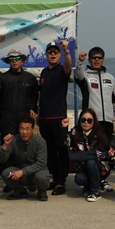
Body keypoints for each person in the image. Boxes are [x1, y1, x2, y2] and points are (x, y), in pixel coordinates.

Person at [38, 40, 72, 196]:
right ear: (46, 55)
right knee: (50, 152)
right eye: (50, 52)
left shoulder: (62, 70)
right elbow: (42, 95)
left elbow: (68, 66)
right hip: (45, 119)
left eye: (55, 52)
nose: (52, 55)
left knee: (61, 151)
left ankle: (62, 182)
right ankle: (55, 178)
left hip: (59, 119)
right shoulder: (44, 72)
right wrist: (38, 115)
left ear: (59, 55)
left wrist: (66, 51)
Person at [0, 117, 50, 201]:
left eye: (27, 129)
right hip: (21, 173)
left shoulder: (40, 142)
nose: (24, 132)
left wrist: (22, 172)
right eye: (22, 129)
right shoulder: (14, 140)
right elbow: (1, 159)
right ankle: (20, 191)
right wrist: (5, 145)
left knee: (42, 177)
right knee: (6, 173)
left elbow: (41, 164)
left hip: (36, 172)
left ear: (32, 129)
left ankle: (41, 191)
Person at [75, 46, 115, 138]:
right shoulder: (85, 76)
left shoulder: (110, 78)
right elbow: (77, 75)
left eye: (99, 58)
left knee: (106, 145)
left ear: (103, 61)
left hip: (108, 121)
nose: (96, 60)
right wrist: (80, 61)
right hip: (90, 120)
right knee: (91, 145)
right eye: (94, 58)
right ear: (89, 60)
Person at [67, 108, 113, 202]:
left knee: (91, 161)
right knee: (79, 179)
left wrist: (79, 156)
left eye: (89, 120)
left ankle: (95, 191)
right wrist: (64, 129)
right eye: (83, 120)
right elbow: (69, 154)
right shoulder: (75, 132)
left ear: (94, 121)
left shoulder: (100, 133)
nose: (86, 122)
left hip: (101, 167)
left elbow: (102, 154)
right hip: (83, 166)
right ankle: (93, 185)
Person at [0, 48, 39, 139]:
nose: (14, 61)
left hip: (25, 120)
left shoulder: (30, 78)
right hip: (7, 121)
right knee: (8, 144)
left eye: (17, 58)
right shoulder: (2, 78)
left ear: (22, 60)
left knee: (25, 144)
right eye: (11, 59)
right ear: (8, 61)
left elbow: (34, 95)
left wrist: (33, 108)